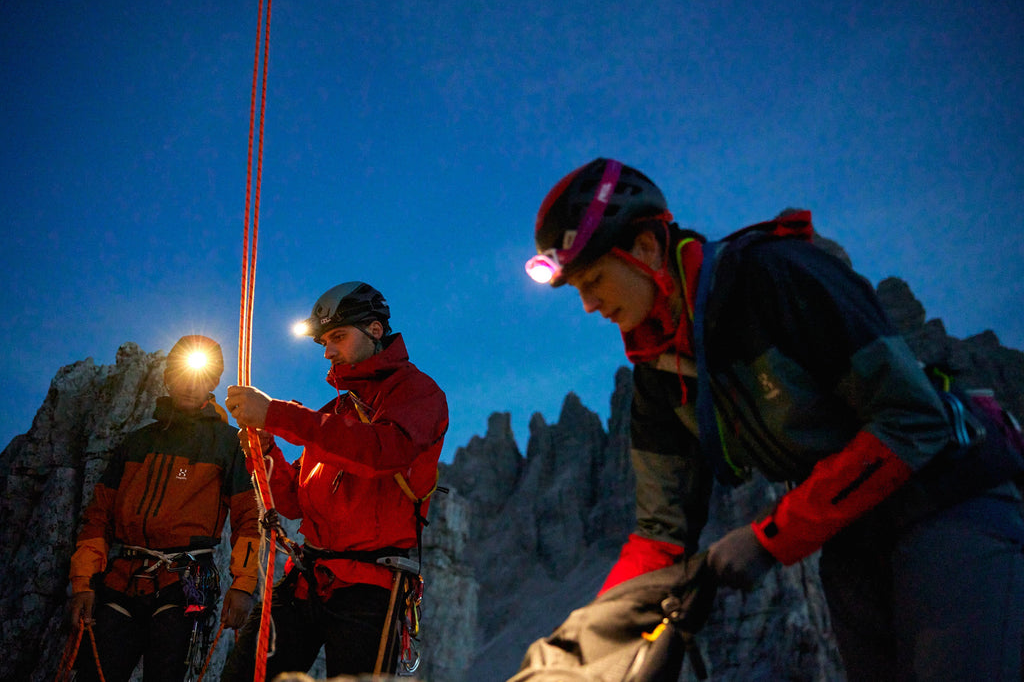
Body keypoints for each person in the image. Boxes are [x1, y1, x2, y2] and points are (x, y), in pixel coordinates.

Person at [524, 157, 1024, 681]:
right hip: (851, 538)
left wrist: (770, 538)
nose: (587, 305)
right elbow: (661, 536)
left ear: (646, 248)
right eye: (577, 289)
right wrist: (585, 645)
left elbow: (913, 419)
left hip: (949, 499)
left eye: (594, 279)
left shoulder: (775, 276)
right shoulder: (658, 377)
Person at [221, 281, 449, 679]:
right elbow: (293, 504)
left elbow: (383, 453)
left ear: (375, 330)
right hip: (308, 578)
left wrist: (278, 415)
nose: (327, 351)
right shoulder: (337, 411)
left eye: (338, 337)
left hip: (371, 588)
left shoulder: (417, 393)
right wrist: (267, 450)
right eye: (324, 342)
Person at [68, 334, 260, 682]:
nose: (191, 385)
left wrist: (244, 586)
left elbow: (249, 518)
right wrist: (83, 583)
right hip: (123, 576)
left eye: (202, 378)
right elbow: (99, 516)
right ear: (169, 377)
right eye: (183, 374)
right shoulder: (137, 441)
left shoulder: (228, 444)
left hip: (188, 579)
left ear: (213, 384)